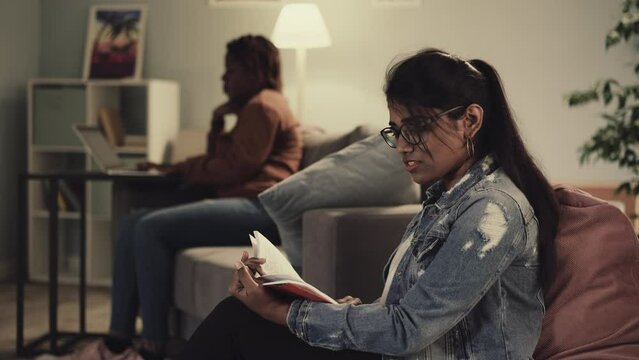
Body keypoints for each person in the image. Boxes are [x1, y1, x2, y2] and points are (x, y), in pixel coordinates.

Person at [178, 48, 560, 360]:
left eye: (416, 126)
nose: (404, 145)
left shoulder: (492, 211)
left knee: (241, 323)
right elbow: (410, 316)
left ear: (470, 121)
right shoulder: (444, 198)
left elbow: (407, 330)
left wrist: (283, 311)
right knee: (241, 322)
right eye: (396, 130)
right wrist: (347, 310)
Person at [67, 34, 302, 360]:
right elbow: (225, 161)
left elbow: (229, 170)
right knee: (133, 221)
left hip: (259, 209)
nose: (224, 79)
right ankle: (117, 341)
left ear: (255, 70)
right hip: (245, 203)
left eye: (230, 70)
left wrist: (179, 169)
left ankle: (151, 346)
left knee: (150, 228)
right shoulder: (254, 107)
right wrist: (216, 126)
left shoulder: (264, 106)